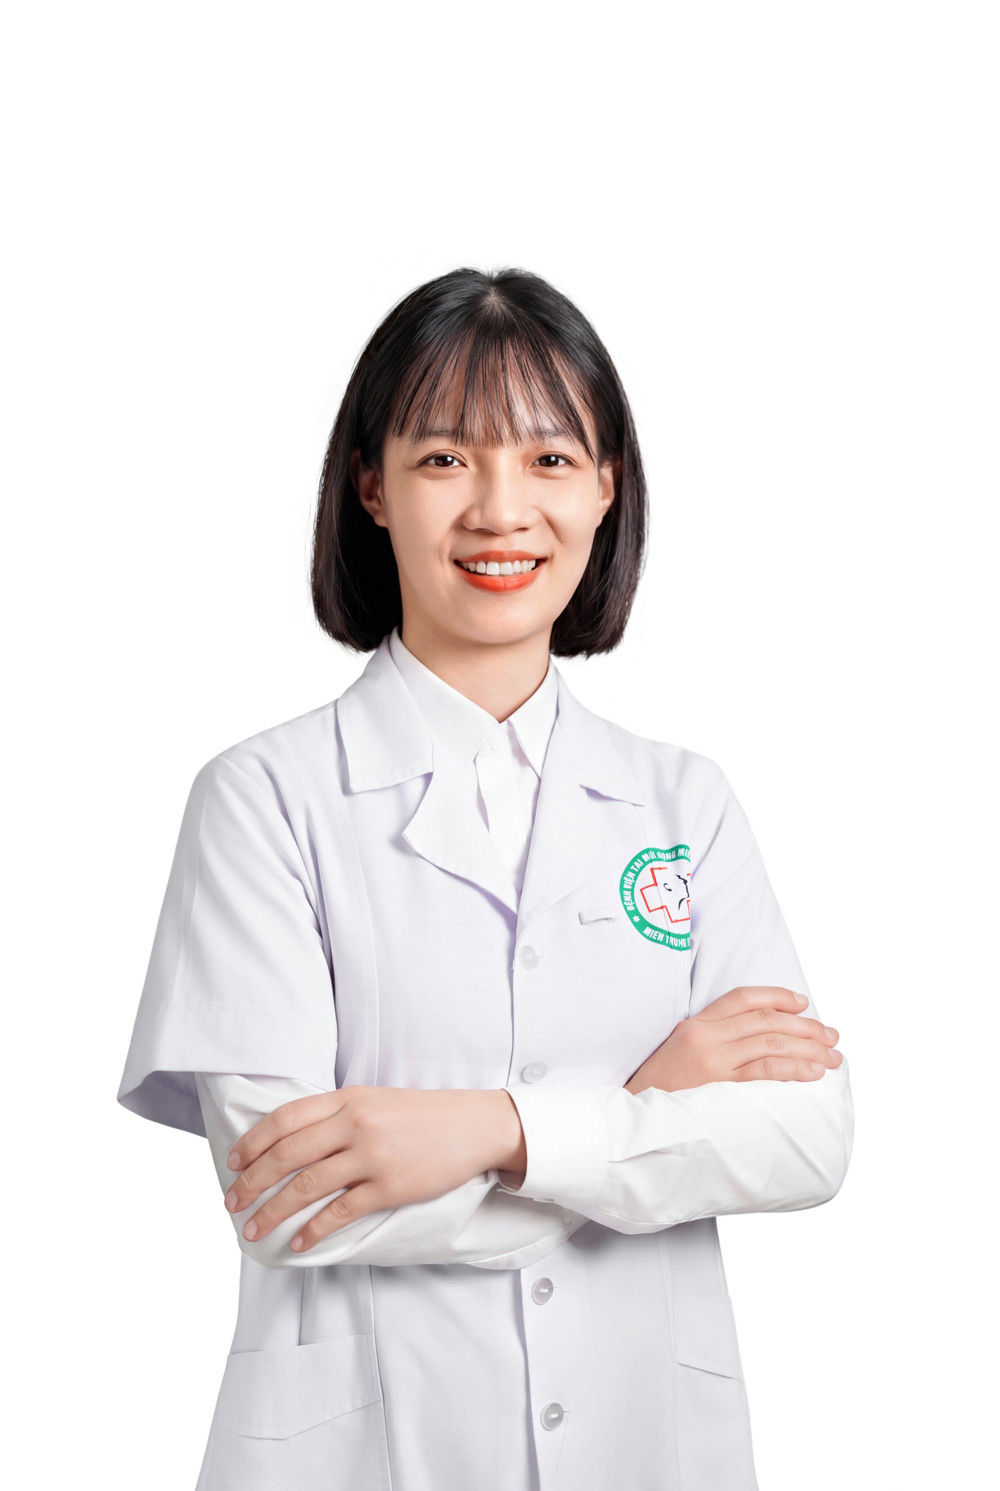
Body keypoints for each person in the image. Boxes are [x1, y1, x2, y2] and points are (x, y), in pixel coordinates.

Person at [116, 266, 854, 1491]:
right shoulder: (263, 799)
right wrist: (647, 1114)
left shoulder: (684, 803)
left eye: (550, 459)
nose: (502, 510)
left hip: (645, 1447)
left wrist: (485, 1130)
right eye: (446, 459)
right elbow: (293, 1201)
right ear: (372, 486)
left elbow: (802, 1140)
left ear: (607, 486)